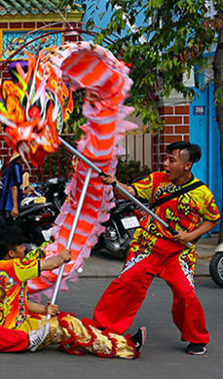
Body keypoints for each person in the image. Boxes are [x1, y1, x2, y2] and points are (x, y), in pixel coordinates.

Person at [93, 141, 218, 355]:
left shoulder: (202, 193)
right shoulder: (157, 181)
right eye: (166, 158)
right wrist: (114, 183)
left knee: (185, 293)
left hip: (179, 251)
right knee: (126, 283)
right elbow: (130, 192)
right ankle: (103, 328)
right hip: (148, 245)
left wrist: (191, 235)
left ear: (187, 165)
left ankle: (196, 337)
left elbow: (212, 219)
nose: (166, 163)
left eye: (172, 160)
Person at [0, 229, 142, 358]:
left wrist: (44, 310)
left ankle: (105, 341)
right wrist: (61, 257)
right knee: (70, 324)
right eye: (20, 246)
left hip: (7, 328)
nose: (24, 249)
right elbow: (51, 264)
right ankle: (124, 348)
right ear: (11, 253)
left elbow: (18, 304)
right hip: (18, 332)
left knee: (66, 321)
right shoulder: (14, 267)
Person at [0, 147, 25, 222]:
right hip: (9, 205)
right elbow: (14, 187)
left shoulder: (16, 166)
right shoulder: (15, 167)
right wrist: (15, 206)